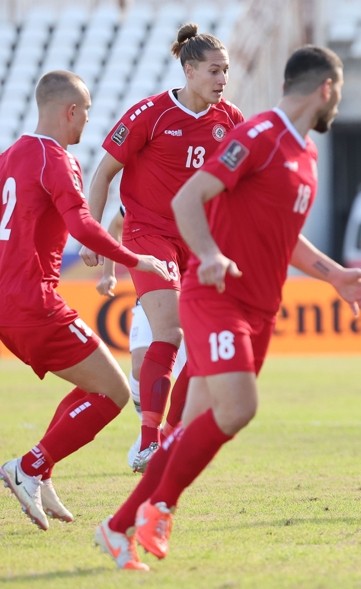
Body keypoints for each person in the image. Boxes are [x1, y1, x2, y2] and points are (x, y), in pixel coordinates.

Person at [94, 45, 361, 571]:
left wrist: (335, 275)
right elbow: (188, 200)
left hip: (260, 308)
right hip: (216, 299)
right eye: (339, 91)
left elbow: (286, 237)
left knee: (193, 426)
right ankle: (160, 506)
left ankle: (117, 528)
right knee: (240, 408)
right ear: (326, 89)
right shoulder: (259, 135)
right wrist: (207, 255)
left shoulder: (305, 154)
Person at [0, 70, 170, 533]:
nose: (88, 122)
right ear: (70, 111)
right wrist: (137, 258)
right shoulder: (56, 160)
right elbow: (80, 224)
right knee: (113, 392)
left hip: (8, 300)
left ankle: (41, 470)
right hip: (32, 301)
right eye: (88, 112)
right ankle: (29, 467)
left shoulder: (10, 155)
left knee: (93, 384)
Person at [81, 23, 244, 473]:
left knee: (207, 342)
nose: (222, 80)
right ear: (189, 70)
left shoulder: (230, 120)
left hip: (197, 239)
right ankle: (149, 440)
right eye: (214, 71)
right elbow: (102, 175)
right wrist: (92, 232)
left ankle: (169, 436)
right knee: (169, 332)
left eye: (226, 71)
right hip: (148, 234)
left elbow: (243, 183)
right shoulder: (149, 115)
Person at [95, 209, 188, 470]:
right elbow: (115, 225)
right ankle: (148, 429)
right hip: (156, 291)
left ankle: (165, 438)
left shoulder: (203, 191)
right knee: (139, 363)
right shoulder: (150, 198)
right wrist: (108, 272)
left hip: (190, 292)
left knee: (186, 375)